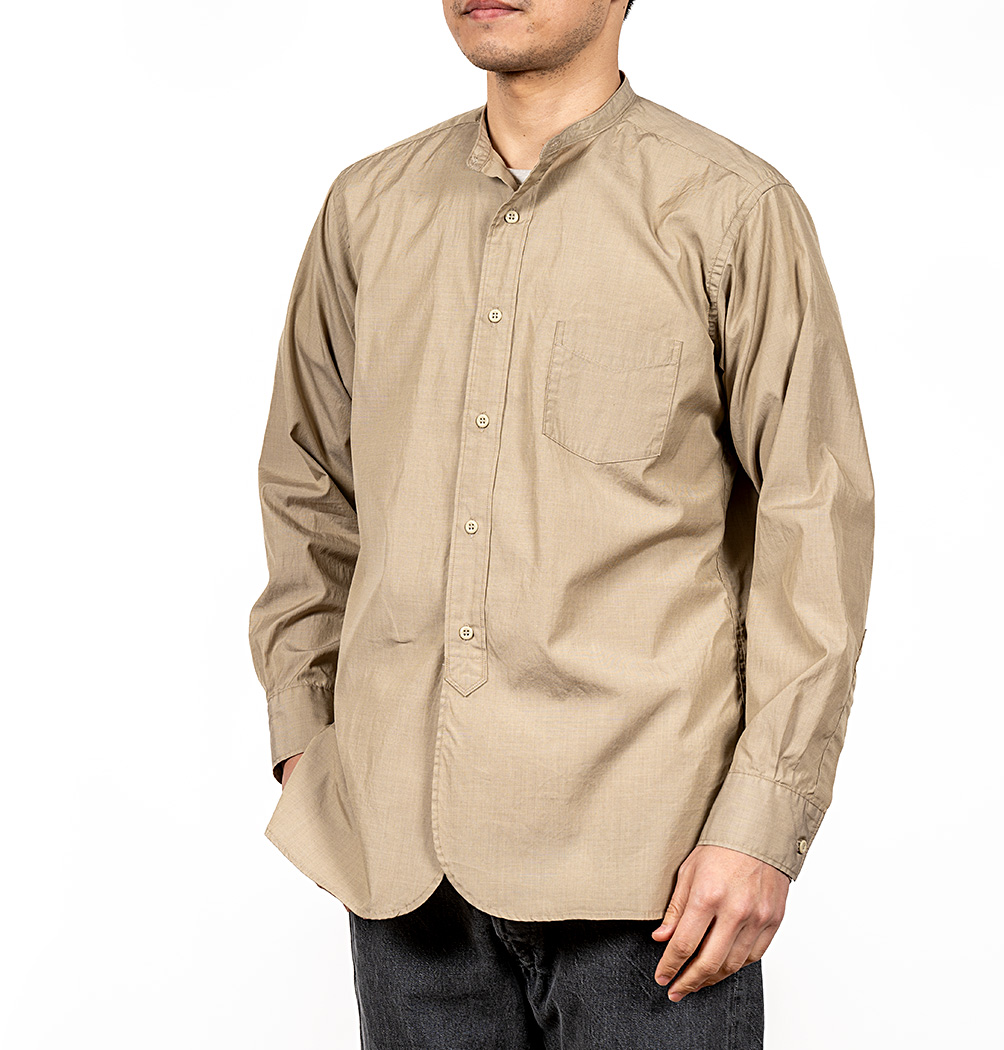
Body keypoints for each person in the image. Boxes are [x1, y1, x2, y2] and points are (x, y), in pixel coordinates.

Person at [248, 0, 874, 1045]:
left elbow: (817, 526)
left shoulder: (730, 210)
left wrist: (764, 824)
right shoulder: (367, 207)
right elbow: (308, 484)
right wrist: (305, 739)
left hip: (655, 876)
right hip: (405, 870)